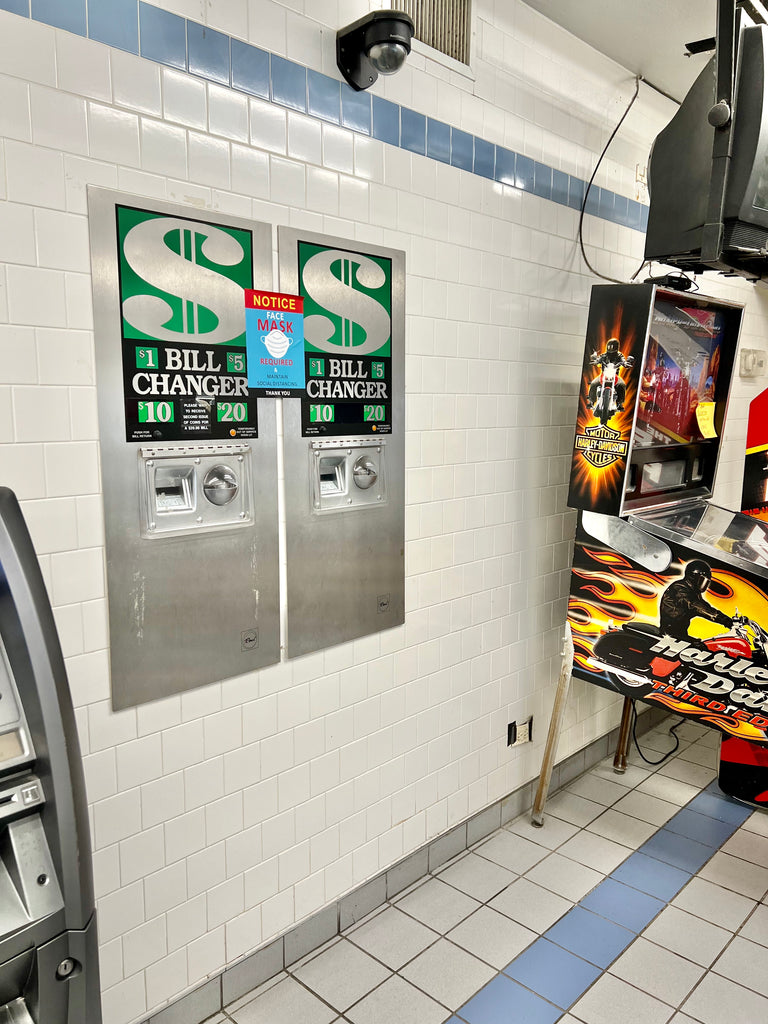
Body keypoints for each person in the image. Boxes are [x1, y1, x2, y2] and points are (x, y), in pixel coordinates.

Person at [659, 559, 732, 638]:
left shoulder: (692, 590)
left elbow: (705, 606)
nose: (705, 584)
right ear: (693, 577)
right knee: (702, 648)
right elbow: (695, 606)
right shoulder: (680, 588)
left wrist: (726, 618)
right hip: (671, 634)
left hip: (680, 633)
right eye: (703, 579)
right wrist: (725, 620)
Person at [586, 338, 634, 411]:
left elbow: (623, 360)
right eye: (609, 346)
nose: (611, 348)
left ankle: (619, 404)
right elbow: (599, 359)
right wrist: (596, 361)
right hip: (604, 375)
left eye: (613, 346)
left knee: (622, 385)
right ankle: (591, 401)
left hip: (615, 376)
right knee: (593, 383)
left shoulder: (619, 355)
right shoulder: (604, 355)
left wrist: (625, 363)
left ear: (616, 347)